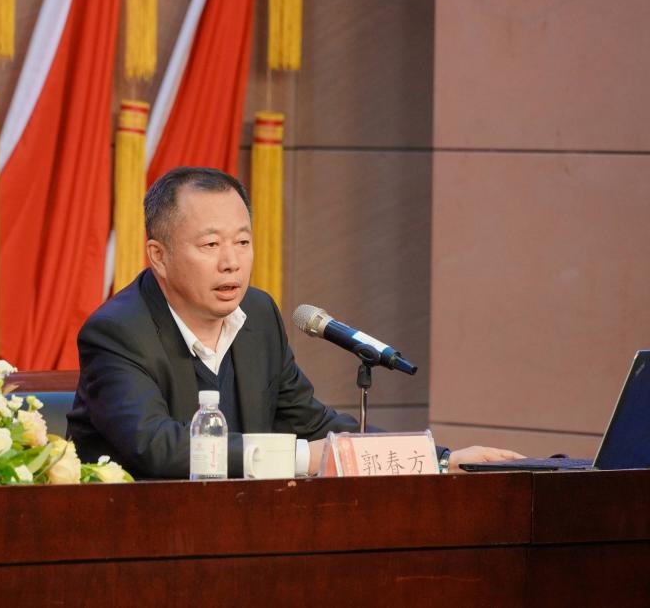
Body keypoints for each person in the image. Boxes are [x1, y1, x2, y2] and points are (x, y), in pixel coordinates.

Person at [67, 167, 523, 478]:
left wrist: (436, 459)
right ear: (159, 256)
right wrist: (305, 459)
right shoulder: (118, 332)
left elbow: (311, 422)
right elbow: (157, 447)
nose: (231, 262)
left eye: (242, 242)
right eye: (210, 245)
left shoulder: (258, 316)